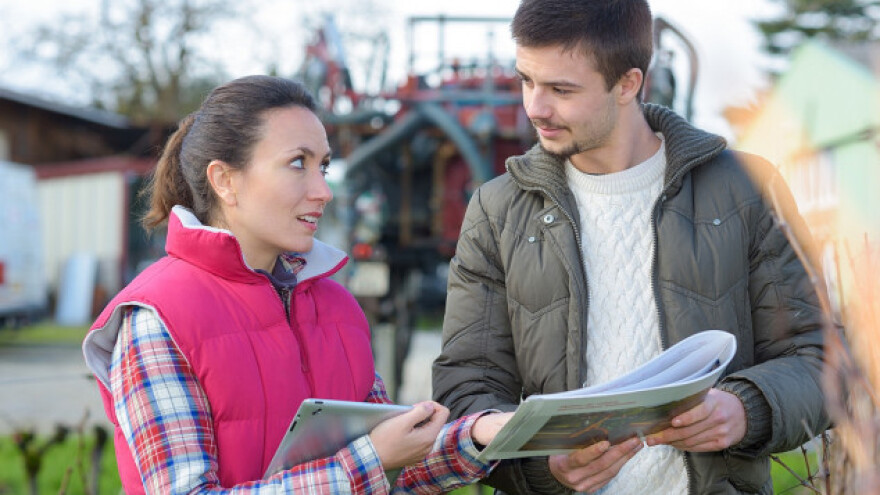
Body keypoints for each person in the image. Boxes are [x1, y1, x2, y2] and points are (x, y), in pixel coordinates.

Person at [432, 1, 831, 494]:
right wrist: (542, 468)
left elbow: (821, 361)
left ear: (628, 83)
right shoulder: (496, 212)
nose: (534, 107)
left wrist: (747, 409)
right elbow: (465, 390)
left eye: (561, 89)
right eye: (526, 80)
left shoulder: (744, 188)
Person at [82, 75, 510, 494]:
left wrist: (477, 435)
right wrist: (369, 461)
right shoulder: (156, 319)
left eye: (323, 165)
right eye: (297, 163)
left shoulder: (338, 306)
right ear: (225, 180)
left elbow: (392, 464)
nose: (323, 190)